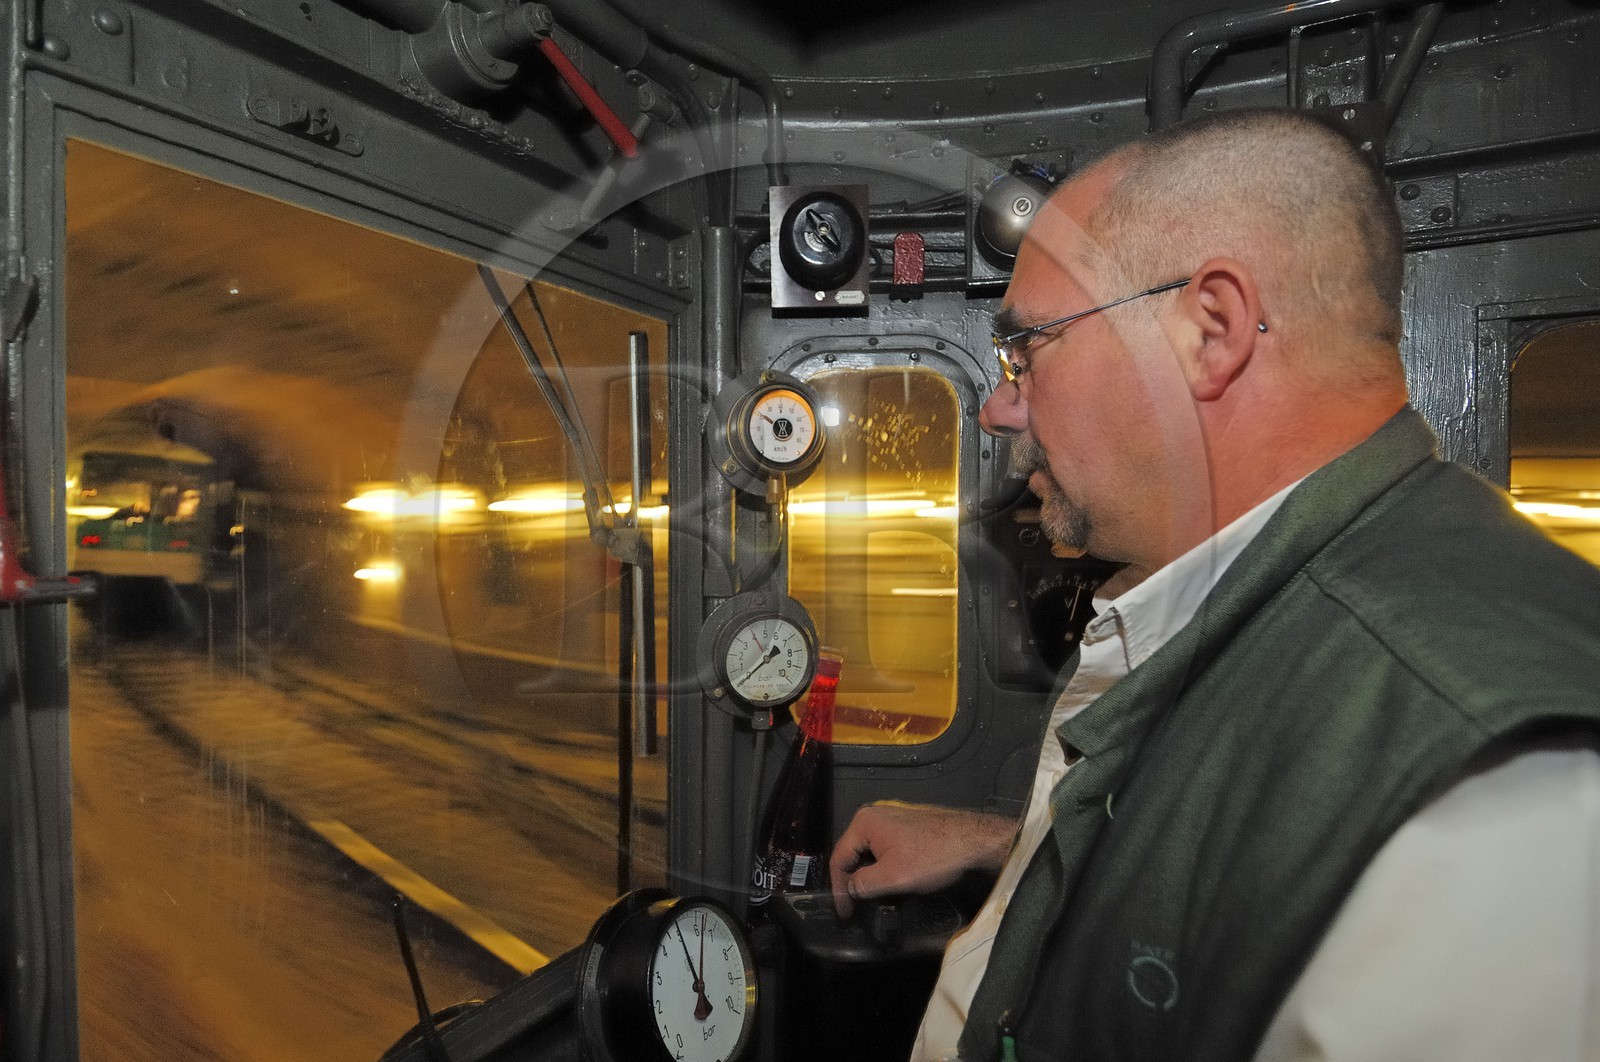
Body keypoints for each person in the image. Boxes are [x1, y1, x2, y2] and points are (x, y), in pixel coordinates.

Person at [829, 108, 1600, 1062]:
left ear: (1210, 331)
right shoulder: (1236, 599)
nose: (998, 406)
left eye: (1028, 349)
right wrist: (1011, 845)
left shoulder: (1494, 804)